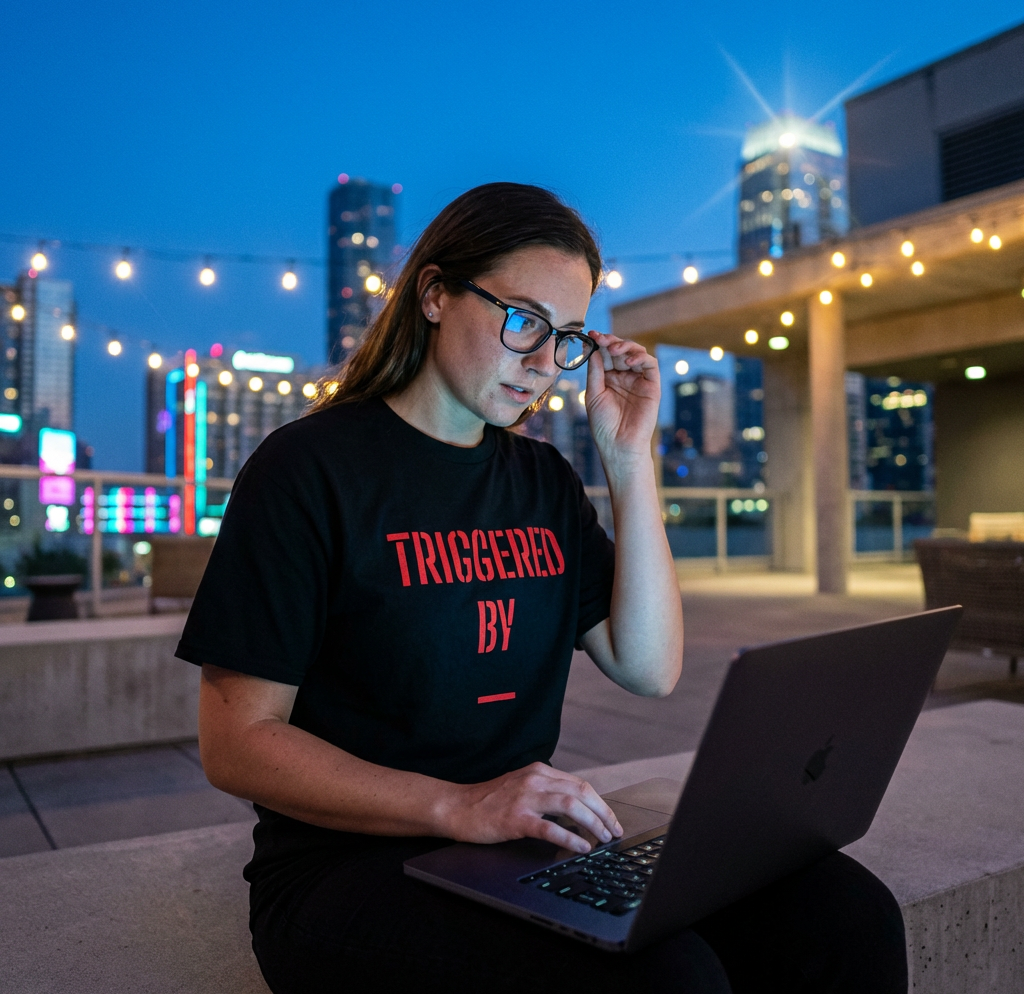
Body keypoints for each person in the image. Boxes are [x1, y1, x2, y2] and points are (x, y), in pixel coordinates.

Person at [177, 183, 908, 994]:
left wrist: (629, 460)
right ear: (434, 294)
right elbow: (236, 741)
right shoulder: (309, 470)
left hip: (516, 844)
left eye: (564, 337)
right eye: (522, 319)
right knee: (670, 981)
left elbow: (649, 665)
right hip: (345, 871)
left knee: (851, 919)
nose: (540, 363)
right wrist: (456, 806)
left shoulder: (542, 480)